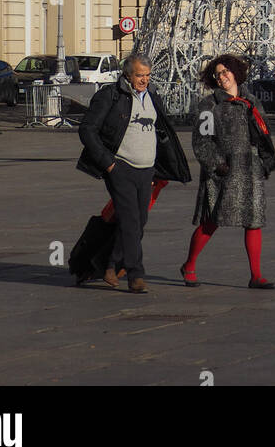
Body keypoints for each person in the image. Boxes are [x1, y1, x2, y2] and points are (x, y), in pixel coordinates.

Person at [76, 53, 190, 293]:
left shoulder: (152, 96)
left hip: (146, 170)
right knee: (129, 221)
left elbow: (161, 132)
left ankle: (109, 265)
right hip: (121, 168)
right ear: (127, 75)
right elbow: (87, 129)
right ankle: (135, 274)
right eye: (140, 75)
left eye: (147, 75)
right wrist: (109, 164)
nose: (144, 80)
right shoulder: (111, 96)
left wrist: (163, 166)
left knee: (139, 223)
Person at [182, 55, 275, 290]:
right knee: (211, 221)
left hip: (250, 169)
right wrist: (216, 164)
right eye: (217, 74)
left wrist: (265, 163)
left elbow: (263, 135)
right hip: (223, 172)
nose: (222, 77)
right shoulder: (209, 105)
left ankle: (256, 275)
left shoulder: (252, 101)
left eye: (226, 72)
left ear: (236, 72)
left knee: (253, 221)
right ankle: (189, 265)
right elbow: (201, 141)